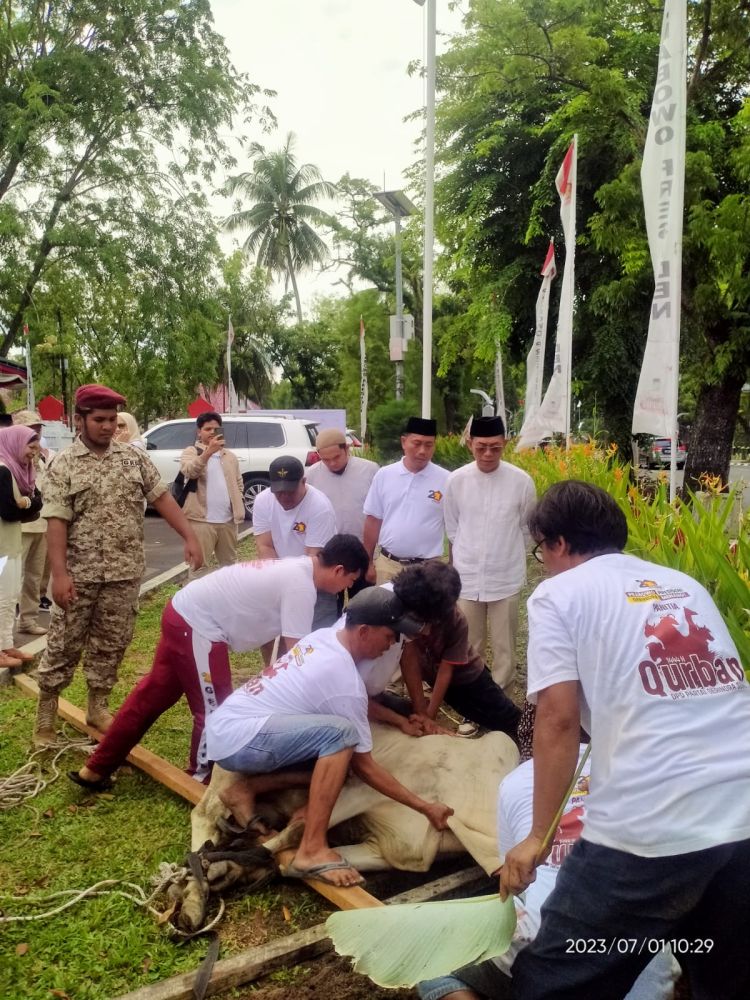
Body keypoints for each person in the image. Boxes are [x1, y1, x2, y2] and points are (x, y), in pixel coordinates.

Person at [500, 480, 750, 1000]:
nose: (542, 562)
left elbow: (558, 721)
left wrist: (537, 837)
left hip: (652, 820)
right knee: (722, 970)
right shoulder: (681, 584)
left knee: (552, 979)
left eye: (540, 549)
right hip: (742, 807)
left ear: (558, 543)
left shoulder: (558, 595)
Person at [70, 535, 369, 790]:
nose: (345, 588)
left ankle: (96, 769)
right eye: (350, 581)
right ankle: (200, 781)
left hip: (183, 612)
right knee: (216, 711)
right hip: (198, 626)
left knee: (152, 695)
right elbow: (298, 655)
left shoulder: (297, 569)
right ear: (340, 570)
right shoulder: (301, 585)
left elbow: (281, 645)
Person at [205, 587, 454, 888]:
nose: (392, 645)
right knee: (342, 735)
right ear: (364, 631)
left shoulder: (323, 638)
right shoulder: (343, 679)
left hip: (229, 726)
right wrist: (424, 806)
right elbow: (367, 767)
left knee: (337, 759)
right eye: (390, 636)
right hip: (241, 740)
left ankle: (246, 790)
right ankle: (312, 849)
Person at [416, 746, 679, 1000]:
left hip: (545, 949)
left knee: (425, 962)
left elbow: (512, 879)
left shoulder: (517, 780)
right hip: (635, 948)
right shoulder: (653, 771)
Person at [33, 383, 204, 747]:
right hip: (80, 575)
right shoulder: (63, 464)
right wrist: (59, 575)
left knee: (111, 644)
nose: (108, 426)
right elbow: (56, 523)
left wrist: (190, 536)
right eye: (99, 419)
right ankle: (45, 717)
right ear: (79, 420)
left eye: (112, 420)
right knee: (64, 644)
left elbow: (162, 497)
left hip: (124, 573)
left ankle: (98, 706)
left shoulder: (132, 458)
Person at [444, 415, 536, 694]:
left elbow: (527, 529)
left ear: (505, 444)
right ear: (470, 443)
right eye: (481, 446)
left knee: (504, 646)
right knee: (470, 646)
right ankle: (476, 707)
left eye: (495, 447)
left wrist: (506, 557)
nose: (487, 454)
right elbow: (453, 528)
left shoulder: (521, 482)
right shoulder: (456, 480)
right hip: (468, 577)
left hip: (505, 577)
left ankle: (503, 705)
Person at [393, 562, 521, 739]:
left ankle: (529, 740)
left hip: (470, 676)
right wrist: (421, 711)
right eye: (424, 623)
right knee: (471, 711)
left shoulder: (456, 619)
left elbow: (446, 670)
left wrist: (429, 715)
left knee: (507, 717)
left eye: (434, 624)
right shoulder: (406, 606)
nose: (428, 631)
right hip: (438, 679)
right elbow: (410, 660)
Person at [253, 455, 338, 628]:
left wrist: (292, 591)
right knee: (272, 633)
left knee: (313, 640)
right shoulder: (262, 501)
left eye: (290, 491)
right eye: (278, 491)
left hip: (316, 580)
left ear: (303, 481)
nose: (284, 497)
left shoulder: (320, 507)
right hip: (280, 576)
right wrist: (278, 582)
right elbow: (265, 545)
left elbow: (312, 558)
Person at [363, 416, 448, 584]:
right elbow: (372, 520)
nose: (422, 451)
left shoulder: (446, 479)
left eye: (429, 445)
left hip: (429, 570)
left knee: (426, 611)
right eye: (416, 443)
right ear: (404, 442)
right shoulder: (385, 475)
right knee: (388, 610)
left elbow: (454, 528)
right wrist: (368, 563)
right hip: (388, 566)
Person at [180, 411, 244, 577]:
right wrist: (208, 452)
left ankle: (227, 600)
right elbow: (190, 471)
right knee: (199, 567)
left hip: (227, 521)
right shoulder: (191, 451)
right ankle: (197, 602)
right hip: (201, 521)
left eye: (216, 429)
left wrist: (238, 503)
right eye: (207, 429)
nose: (211, 432)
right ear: (199, 432)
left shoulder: (230, 456)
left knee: (229, 566)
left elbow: (238, 483)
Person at [0, 426, 42, 670]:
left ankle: (6, 644)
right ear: (15, 443)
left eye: (36, 448)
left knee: (10, 595)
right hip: (2, 546)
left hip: (11, 543)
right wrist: (29, 504)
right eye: (30, 447)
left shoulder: (21, 471)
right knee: (2, 597)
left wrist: (26, 503)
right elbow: (7, 510)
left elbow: (37, 503)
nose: (33, 454)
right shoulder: (3, 471)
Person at [13, 410, 54, 636]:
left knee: (35, 577)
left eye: (38, 429)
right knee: (9, 577)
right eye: (31, 428)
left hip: (41, 523)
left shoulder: (43, 457)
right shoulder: (8, 457)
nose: (35, 433)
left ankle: (27, 620)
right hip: (17, 527)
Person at [305, 427, 378, 542]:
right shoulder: (311, 476)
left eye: (336, 457)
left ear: (347, 448)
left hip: (364, 543)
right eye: (326, 460)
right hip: (327, 544)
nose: (332, 463)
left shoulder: (370, 470)